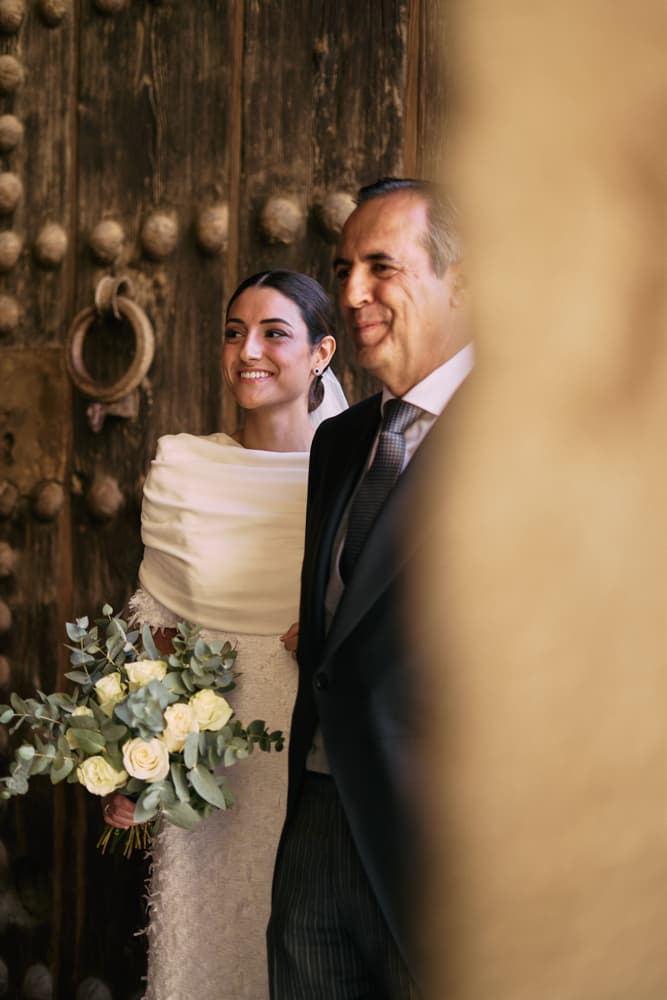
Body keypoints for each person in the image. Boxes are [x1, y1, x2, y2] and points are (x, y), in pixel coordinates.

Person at [103, 270, 346, 1000]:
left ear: (321, 354)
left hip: (319, 759)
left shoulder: (356, 472)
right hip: (208, 764)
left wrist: (328, 637)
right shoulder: (183, 468)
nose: (248, 351)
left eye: (274, 333)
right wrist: (136, 759)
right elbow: (158, 630)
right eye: (235, 333)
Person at [267, 178, 473, 998]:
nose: (351, 294)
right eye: (343, 268)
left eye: (381, 267)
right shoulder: (340, 441)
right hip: (317, 822)